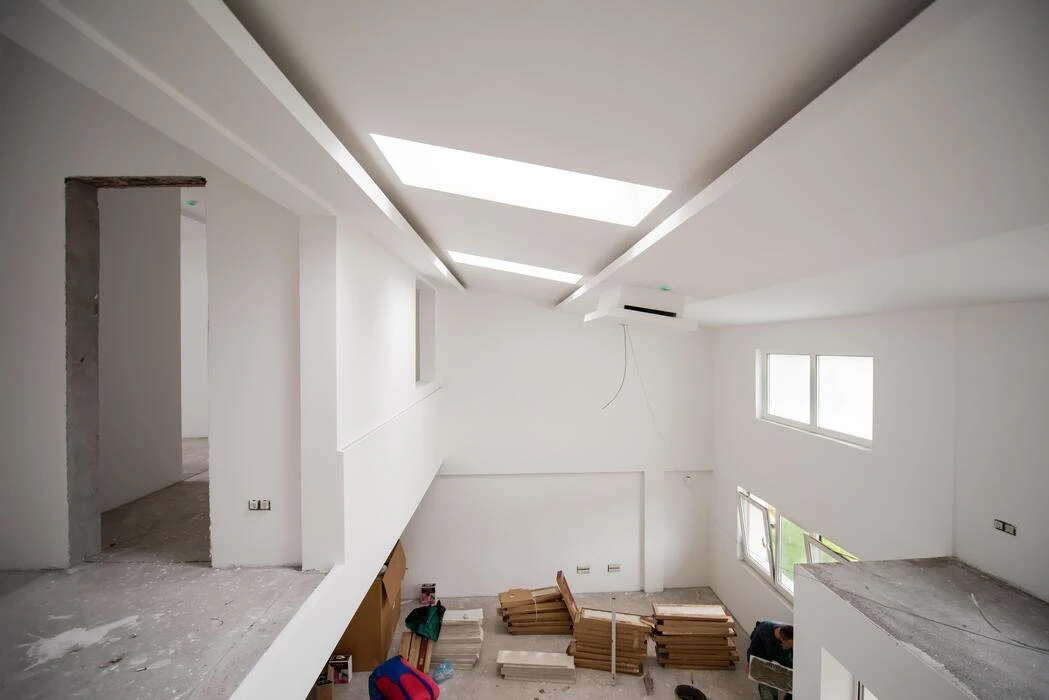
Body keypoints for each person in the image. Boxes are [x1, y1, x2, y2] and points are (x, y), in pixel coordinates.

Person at [746, 620, 793, 700]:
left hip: (783, 655)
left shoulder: (792, 634)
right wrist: (749, 662)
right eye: (791, 645)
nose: (793, 647)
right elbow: (753, 650)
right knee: (764, 676)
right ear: (782, 641)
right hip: (765, 652)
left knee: (795, 683)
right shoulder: (763, 632)